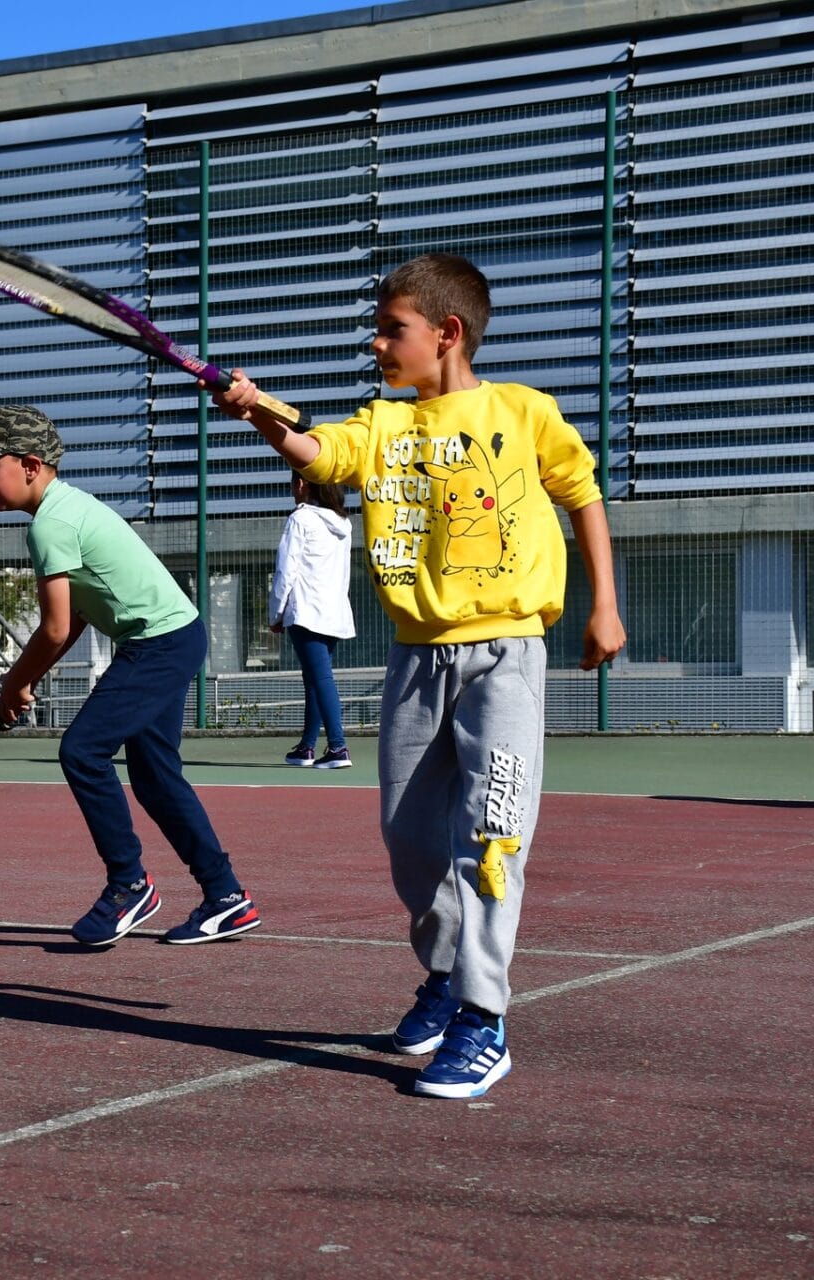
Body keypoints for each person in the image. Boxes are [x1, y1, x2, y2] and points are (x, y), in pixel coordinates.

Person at [215, 252, 625, 1099]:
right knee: (409, 843)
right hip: (415, 660)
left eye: (391, 329)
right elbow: (315, 451)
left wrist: (603, 605)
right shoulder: (384, 426)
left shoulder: (522, 412)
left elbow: (582, 494)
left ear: (447, 333)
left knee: (491, 840)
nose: (376, 343)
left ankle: (483, 1019)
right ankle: (443, 977)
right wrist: (255, 410)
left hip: (506, 652)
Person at [0, 405, 260, 947]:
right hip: (172, 637)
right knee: (155, 777)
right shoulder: (66, 509)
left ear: (29, 464)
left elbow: (53, 627)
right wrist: (26, 678)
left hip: (157, 644)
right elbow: (77, 618)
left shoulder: (52, 523)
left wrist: (12, 682)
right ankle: (226, 897)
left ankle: (128, 885)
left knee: (82, 752)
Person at [270, 474, 356, 769]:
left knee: (320, 678)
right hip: (332, 611)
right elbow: (342, 573)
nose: (292, 490)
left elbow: (286, 570)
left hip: (306, 611)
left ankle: (337, 747)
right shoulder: (344, 523)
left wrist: (276, 614)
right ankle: (307, 747)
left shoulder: (300, 519)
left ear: (303, 485)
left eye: (293, 484)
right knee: (314, 679)